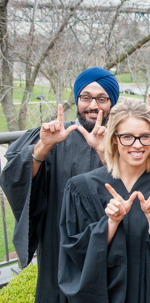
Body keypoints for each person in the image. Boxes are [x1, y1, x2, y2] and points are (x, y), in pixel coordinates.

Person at [0, 67, 118, 303]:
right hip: (58, 241)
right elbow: (15, 177)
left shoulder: (126, 140)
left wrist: (106, 152)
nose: (93, 105)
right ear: (77, 100)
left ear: (112, 102)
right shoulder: (53, 136)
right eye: (86, 98)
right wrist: (43, 147)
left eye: (102, 99)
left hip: (110, 241)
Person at [58, 99, 150, 302]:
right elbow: (74, 254)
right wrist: (110, 223)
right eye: (127, 137)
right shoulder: (82, 188)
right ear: (114, 139)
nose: (137, 145)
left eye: (145, 136)